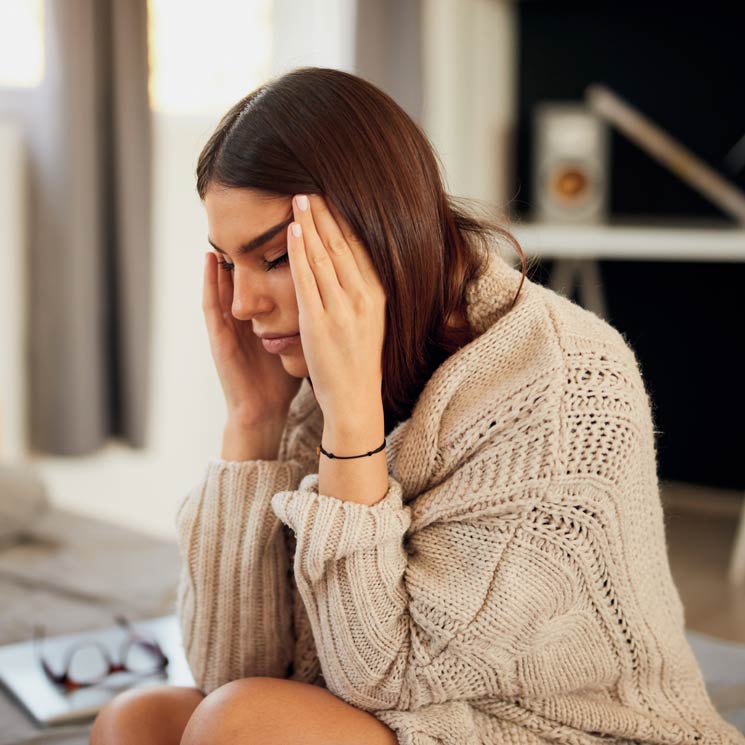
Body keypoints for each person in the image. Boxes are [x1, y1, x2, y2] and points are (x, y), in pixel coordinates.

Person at [90, 67, 744, 745]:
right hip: (410, 709)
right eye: (229, 263)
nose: (241, 304)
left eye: (276, 257)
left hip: (557, 727)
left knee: (236, 724)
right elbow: (230, 667)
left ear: (376, 230)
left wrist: (351, 425)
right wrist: (251, 422)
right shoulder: (310, 370)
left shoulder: (564, 383)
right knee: (138, 721)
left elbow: (385, 675)